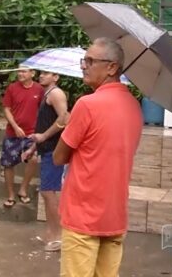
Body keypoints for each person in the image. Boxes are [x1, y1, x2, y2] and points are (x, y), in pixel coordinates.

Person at [54, 38, 142, 277]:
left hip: (83, 216)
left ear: (112, 67)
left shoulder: (87, 105)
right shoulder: (134, 106)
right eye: (85, 60)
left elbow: (59, 157)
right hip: (114, 215)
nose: (84, 65)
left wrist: (68, 126)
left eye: (91, 61)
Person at [24, 71, 70, 252]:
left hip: (54, 150)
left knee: (49, 192)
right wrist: (33, 147)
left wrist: (43, 136)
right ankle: (51, 233)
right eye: (41, 73)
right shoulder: (47, 95)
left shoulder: (56, 94)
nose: (41, 76)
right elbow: (45, 123)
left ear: (56, 77)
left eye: (46, 73)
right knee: (46, 192)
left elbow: (65, 118)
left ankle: (58, 236)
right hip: (46, 149)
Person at [0, 66, 43, 208]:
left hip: (31, 133)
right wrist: (15, 126)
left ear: (32, 73)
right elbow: (6, 109)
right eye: (18, 71)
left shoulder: (39, 89)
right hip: (13, 133)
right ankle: (11, 195)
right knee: (8, 164)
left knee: (34, 158)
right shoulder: (12, 88)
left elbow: (42, 110)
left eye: (24, 71)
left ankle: (23, 189)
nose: (20, 74)